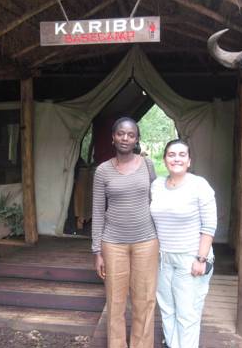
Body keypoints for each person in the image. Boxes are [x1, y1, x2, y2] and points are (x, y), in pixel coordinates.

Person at [91, 117, 158, 348]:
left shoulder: (148, 166)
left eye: (131, 134)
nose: (125, 138)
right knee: (115, 302)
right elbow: (98, 212)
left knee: (144, 300)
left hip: (146, 242)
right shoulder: (102, 171)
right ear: (113, 137)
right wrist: (97, 251)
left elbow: (156, 202)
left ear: (137, 139)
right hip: (113, 244)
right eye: (121, 133)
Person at [150, 139, 217, 348]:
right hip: (163, 259)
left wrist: (201, 258)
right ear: (165, 159)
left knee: (187, 314)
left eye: (181, 155)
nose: (176, 158)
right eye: (171, 154)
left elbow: (209, 225)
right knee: (167, 309)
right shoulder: (156, 185)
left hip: (191, 257)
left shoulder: (199, 185)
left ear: (189, 161)